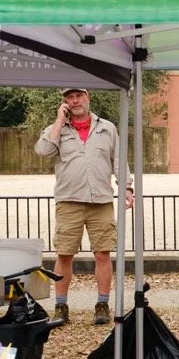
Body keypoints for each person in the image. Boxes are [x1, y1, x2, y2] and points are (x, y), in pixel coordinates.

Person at [35, 87, 133, 326]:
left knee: (102, 253)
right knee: (64, 254)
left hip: (100, 200)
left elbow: (118, 160)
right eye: (69, 97)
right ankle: (61, 306)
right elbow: (43, 151)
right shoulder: (56, 130)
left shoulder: (107, 128)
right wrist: (59, 120)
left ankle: (102, 305)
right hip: (69, 200)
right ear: (64, 102)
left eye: (78, 96)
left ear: (88, 98)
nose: (75, 100)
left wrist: (127, 187)